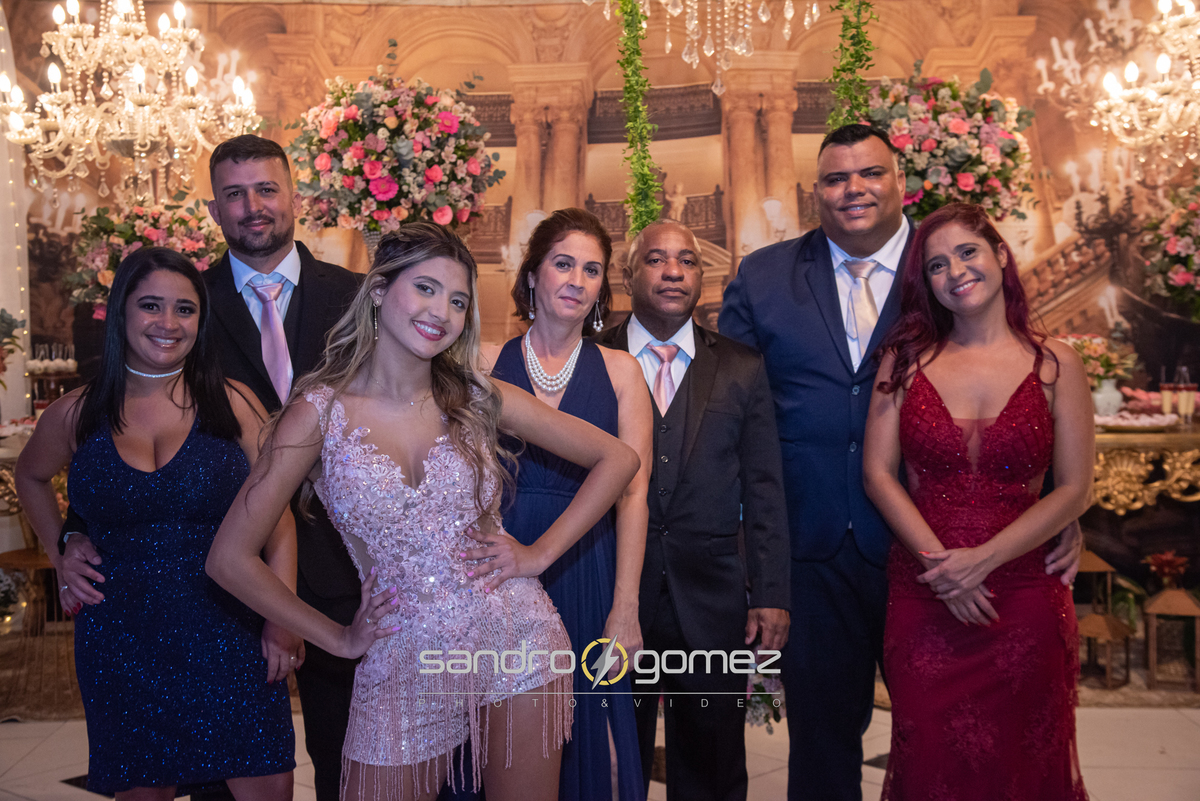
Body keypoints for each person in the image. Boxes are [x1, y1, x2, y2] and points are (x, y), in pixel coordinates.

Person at [205, 222, 641, 801]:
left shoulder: (476, 395)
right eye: (426, 288)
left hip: (516, 638)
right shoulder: (318, 413)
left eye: (458, 301)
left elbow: (618, 458)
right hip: (402, 655)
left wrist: (538, 555)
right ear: (379, 290)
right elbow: (229, 558)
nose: (442, 311)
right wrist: (337, 638)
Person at [718, 123, 1083, 800]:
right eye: (835, 178)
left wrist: (1058, 507)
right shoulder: (764, 277)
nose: (853, 189)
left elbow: (1017, 386)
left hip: (935, 551)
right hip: (810, 545)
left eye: (870, 173)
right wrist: (738, 541)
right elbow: (727, 413)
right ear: (815, 191)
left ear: (901, 181)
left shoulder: (944, 261)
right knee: (822, 743)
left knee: (949, 734)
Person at [58, 134, 363, 801]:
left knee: (353, 763)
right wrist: (72, 533)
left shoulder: (358, 297)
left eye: (266, 189)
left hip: (346, 563)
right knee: (223, 776)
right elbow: (114, 441)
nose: (253, 206)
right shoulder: (183, 298)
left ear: (295, 196)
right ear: (214, 208)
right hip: (223, 585)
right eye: (234, 193)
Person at [15, 248, 296, 801]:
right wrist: (61, 550)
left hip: (231, 631)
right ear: (122, 310)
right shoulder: (75, 412)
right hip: (121, 640)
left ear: (201, 320)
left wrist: (282, 621)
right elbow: (30, 476)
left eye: (184, 309)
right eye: (151, 305)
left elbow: (280, 520)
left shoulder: (234, 403)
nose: (168, 322)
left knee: (265, 784)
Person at [862, 203, 1093, 799]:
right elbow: (878, 475)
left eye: (968, 252)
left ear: (1001, 255)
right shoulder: (903, 360)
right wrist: (944, 570)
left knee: (1025, 761)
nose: (956, 271)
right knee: (930, 758)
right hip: (925, 589)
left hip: (1024, 595)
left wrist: (981, 561)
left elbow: (1075, 487)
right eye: (937, 265)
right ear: (927, 283)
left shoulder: (1057, 363)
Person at [595, 219, 790, 801]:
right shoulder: (590, 357)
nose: (674, 272)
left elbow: (764, 487)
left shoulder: (741, 366)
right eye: (656, 259)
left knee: (713, 760)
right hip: (609, 592)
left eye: (687, 260)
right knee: (608, 755)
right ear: (628, 274)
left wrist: (771, 592)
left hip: (711, 596)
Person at [488, 207, 651, 801]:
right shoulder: (483, 361)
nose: (577, 281)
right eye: (563, 264)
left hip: (588, 568)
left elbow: (634, 494)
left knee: (600, 746)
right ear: (533, 273)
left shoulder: (622, 372)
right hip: (500, 572)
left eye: (591, 270)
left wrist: (625, 607)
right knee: (505, 745)